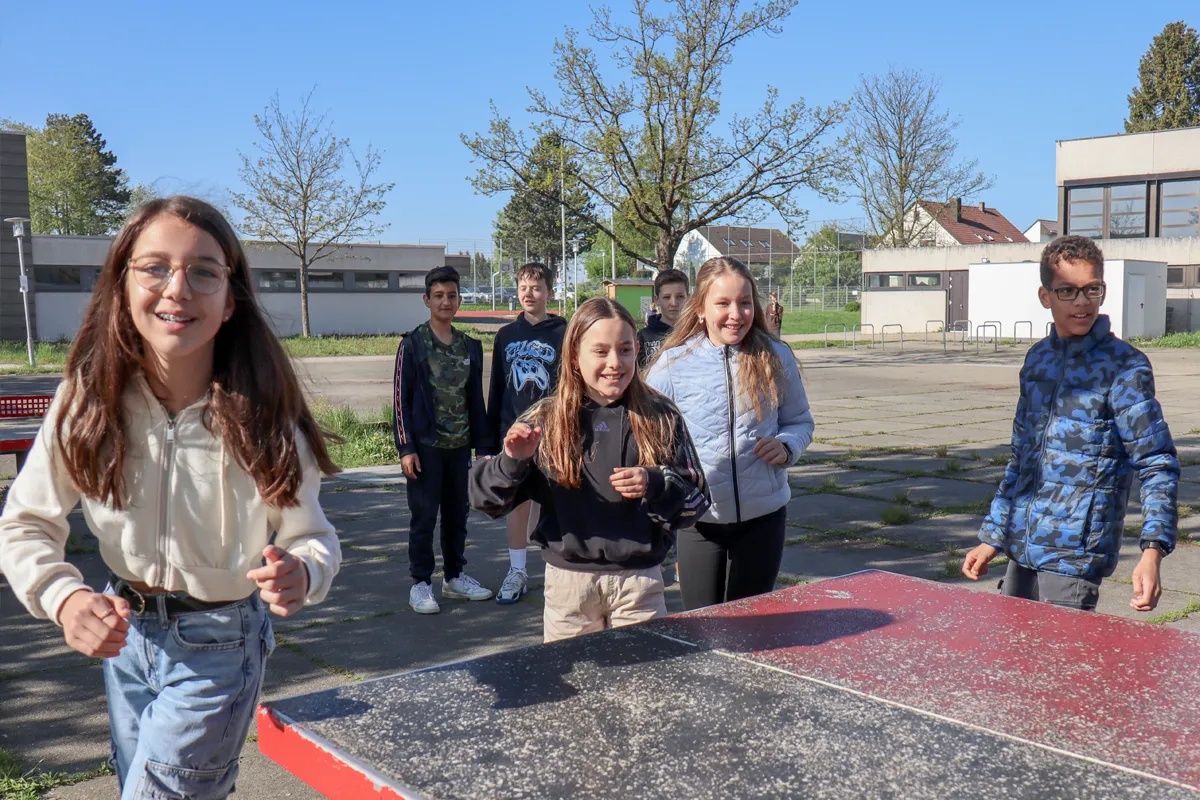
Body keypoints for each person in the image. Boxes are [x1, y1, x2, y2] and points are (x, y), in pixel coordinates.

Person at [0, 196, 342, 800]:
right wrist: (62, 597)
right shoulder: (86, 402)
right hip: (125, 637)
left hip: (220, 645)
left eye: (203, 271)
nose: (177, 288)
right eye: (154, 266)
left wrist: (304, 572)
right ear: (121, 282)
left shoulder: (264, 418)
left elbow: (311, 536)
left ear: (230, 299)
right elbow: (25, 523)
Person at [469, 298, 709, 641]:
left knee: (642, 692)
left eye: (625, 350)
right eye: (601, 351)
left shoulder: (661, 416)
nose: (615, 363)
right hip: (569, 591)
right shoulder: (545, 420)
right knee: (575, 693)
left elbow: (697, 501)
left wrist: (656, 483)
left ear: (636, 350)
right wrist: (512, 461)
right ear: (574, 357)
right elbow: (485, 501)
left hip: (640, 586)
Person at [962, 235, 1178, 612]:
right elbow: (1021, 460)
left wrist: (1152, 550)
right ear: (1046, 296)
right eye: (1068, 291)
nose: (1082, 302)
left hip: (1074, 559)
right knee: (1011, 662)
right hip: (1022, 550)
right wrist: (992, 536)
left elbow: (1156, 461)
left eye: (1092, 289)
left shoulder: (1124, 367)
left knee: (1059, 667)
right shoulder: (1037, 361)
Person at [647, 256, 813, 611]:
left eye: (745, 302)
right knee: (703, 630)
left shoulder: (776, 356)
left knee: (752, 629)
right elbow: (647, 439)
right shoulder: (673, 364)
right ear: (701, 309)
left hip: (764, 519)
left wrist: (787, 447)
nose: (736, 314)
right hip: (699, 522)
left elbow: (800, 422)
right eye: (723, 303)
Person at [393, 266, 495, 614]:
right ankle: (421, 584)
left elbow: (475, 400)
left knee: (457, 516)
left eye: (451, 295)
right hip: (425, 448)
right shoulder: (413, 344)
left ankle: (454, 577)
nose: (446, 301)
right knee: (423, 517)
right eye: (438, 296)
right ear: (427, 300)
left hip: (459, 448)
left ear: (459, 299)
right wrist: (406, 448)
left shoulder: (469, 346)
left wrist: (483, 448)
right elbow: (400, 399)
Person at [484, 262, 567, 604]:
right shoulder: (506, 335)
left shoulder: (564, 331)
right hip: (515, 433)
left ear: (549, 291)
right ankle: (517, 570)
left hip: (554, 433)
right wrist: (490, 441)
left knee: (557, 501)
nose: (529, 294)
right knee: (517, 503)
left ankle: (560, 567)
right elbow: (498, 390)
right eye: (523, 287)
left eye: (536, 287)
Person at [637, 268, 689, 370]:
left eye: (680, 296)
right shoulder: (643, 338)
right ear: (657, 300)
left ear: (688, 298)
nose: (674, 303)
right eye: (667, 297)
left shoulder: (698, 335)